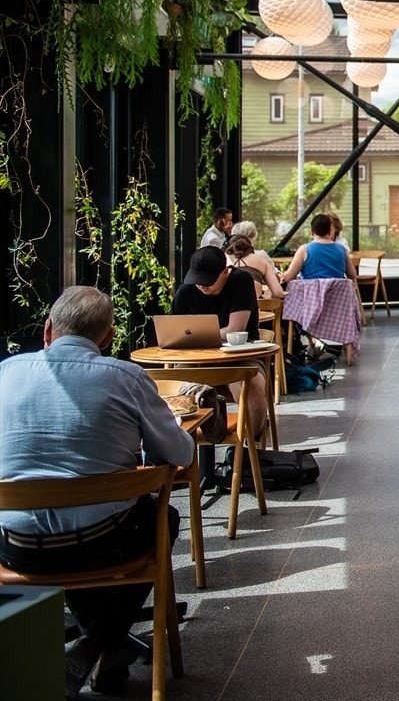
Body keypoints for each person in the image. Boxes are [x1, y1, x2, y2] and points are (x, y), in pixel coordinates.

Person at [0, 286, 193, 696]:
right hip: (104, 544)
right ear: (107, 337)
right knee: (162, 518)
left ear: (48, 329)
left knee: (84, 531)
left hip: (16, 546)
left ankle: (98, 644)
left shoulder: (6, 372)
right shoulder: (125, 377)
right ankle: (99, 643)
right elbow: (180, 453)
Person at [171, 247, 269, 437]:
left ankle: (249, 446)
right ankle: (184, 445)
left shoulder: (240, 281)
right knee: (173, 384)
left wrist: (194, 335)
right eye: (197, 279)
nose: (201, 285)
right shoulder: (186, 291)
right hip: (196, 360)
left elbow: (235, 329)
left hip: (240, 356)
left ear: (225, 272)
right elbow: (172, 333)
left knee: (252, 385)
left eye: (208, 280)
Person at [280, 214, 357, 283]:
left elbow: (288, 277)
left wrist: (281, 275)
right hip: (337, 297)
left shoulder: (304, 250)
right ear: (330, 231)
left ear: (312, 232)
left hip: (310, 298)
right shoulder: (342, 250)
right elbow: (352, 275)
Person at [226, 222, 284, 299]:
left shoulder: (223, 258)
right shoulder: (260, 258)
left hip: (225, 307)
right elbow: (278, 293)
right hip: (254, 306)